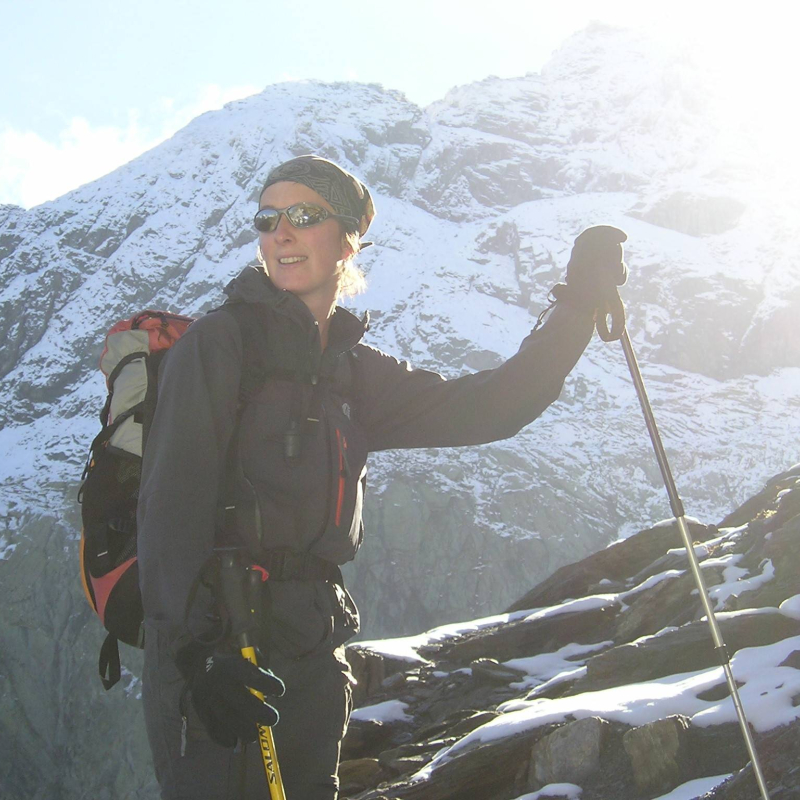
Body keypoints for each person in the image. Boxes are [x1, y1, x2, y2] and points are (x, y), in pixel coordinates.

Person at [137, 155, 627, 799]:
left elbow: (493, 405)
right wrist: (198, 658)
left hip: (312, 653)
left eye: (303, 216)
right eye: (268, 217)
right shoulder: (220, 345)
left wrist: (578, 305)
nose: (280, 232)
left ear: (347, 240)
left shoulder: (351, 373)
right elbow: (169, 515)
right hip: (227, 656)